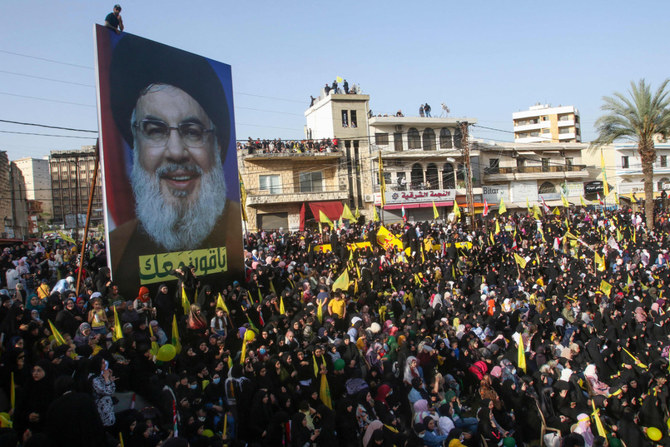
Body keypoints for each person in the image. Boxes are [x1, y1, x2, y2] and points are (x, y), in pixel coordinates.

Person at [105, 33, 243, 297]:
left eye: (192, 131)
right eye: (155, 130)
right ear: (135, 144)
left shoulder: (237, 237)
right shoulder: (119, 246)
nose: (177, 152)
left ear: (217, 146)